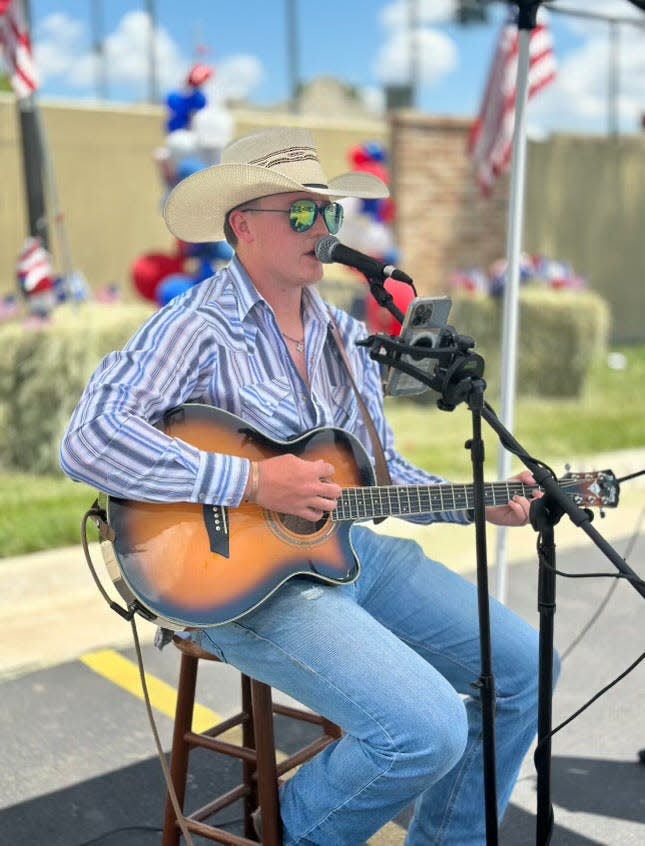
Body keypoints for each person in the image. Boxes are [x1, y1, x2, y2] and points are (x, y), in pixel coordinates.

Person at [60, 127, 552, 845]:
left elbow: (380, 474)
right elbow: (90, 436)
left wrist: (481, 504)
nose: (320, 229)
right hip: (234, 581)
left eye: (329, 215)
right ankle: (293, 829)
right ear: (242, 227)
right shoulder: (196, 324)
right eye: (300, 214)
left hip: (344, 552)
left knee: (521, 669)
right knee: (426, 730)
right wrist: (251, 479)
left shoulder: (347, 336)